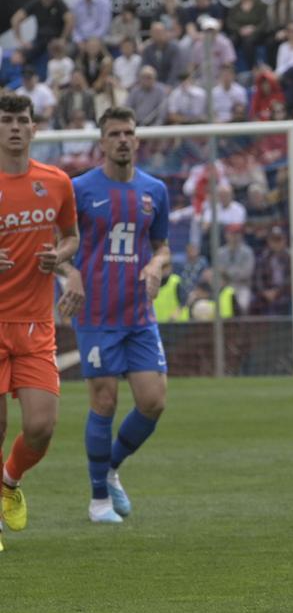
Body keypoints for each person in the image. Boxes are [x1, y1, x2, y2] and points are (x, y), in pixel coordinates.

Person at [69, 107, 170, 524]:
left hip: (138, 314)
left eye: (129, 132)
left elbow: (162, 246)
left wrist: (156, 265)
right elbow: (58, 243)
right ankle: (98, 502)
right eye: (115, 133)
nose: (123, 139)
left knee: (153, 402)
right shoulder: (78, 189)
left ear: (138, 140)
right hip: (94, 312)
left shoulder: (155, 191)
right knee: (104, 400)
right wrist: (69, 271)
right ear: (102, 142)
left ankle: (110, 468)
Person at [0, 90, 83, 548]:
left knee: (40, 426)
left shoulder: (56, 182)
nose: (14, 128)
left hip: (35, 323)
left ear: (34, 129)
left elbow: (71, 237)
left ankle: (9, 482)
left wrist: (61, 257)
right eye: (6, 120)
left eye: (22, 121)